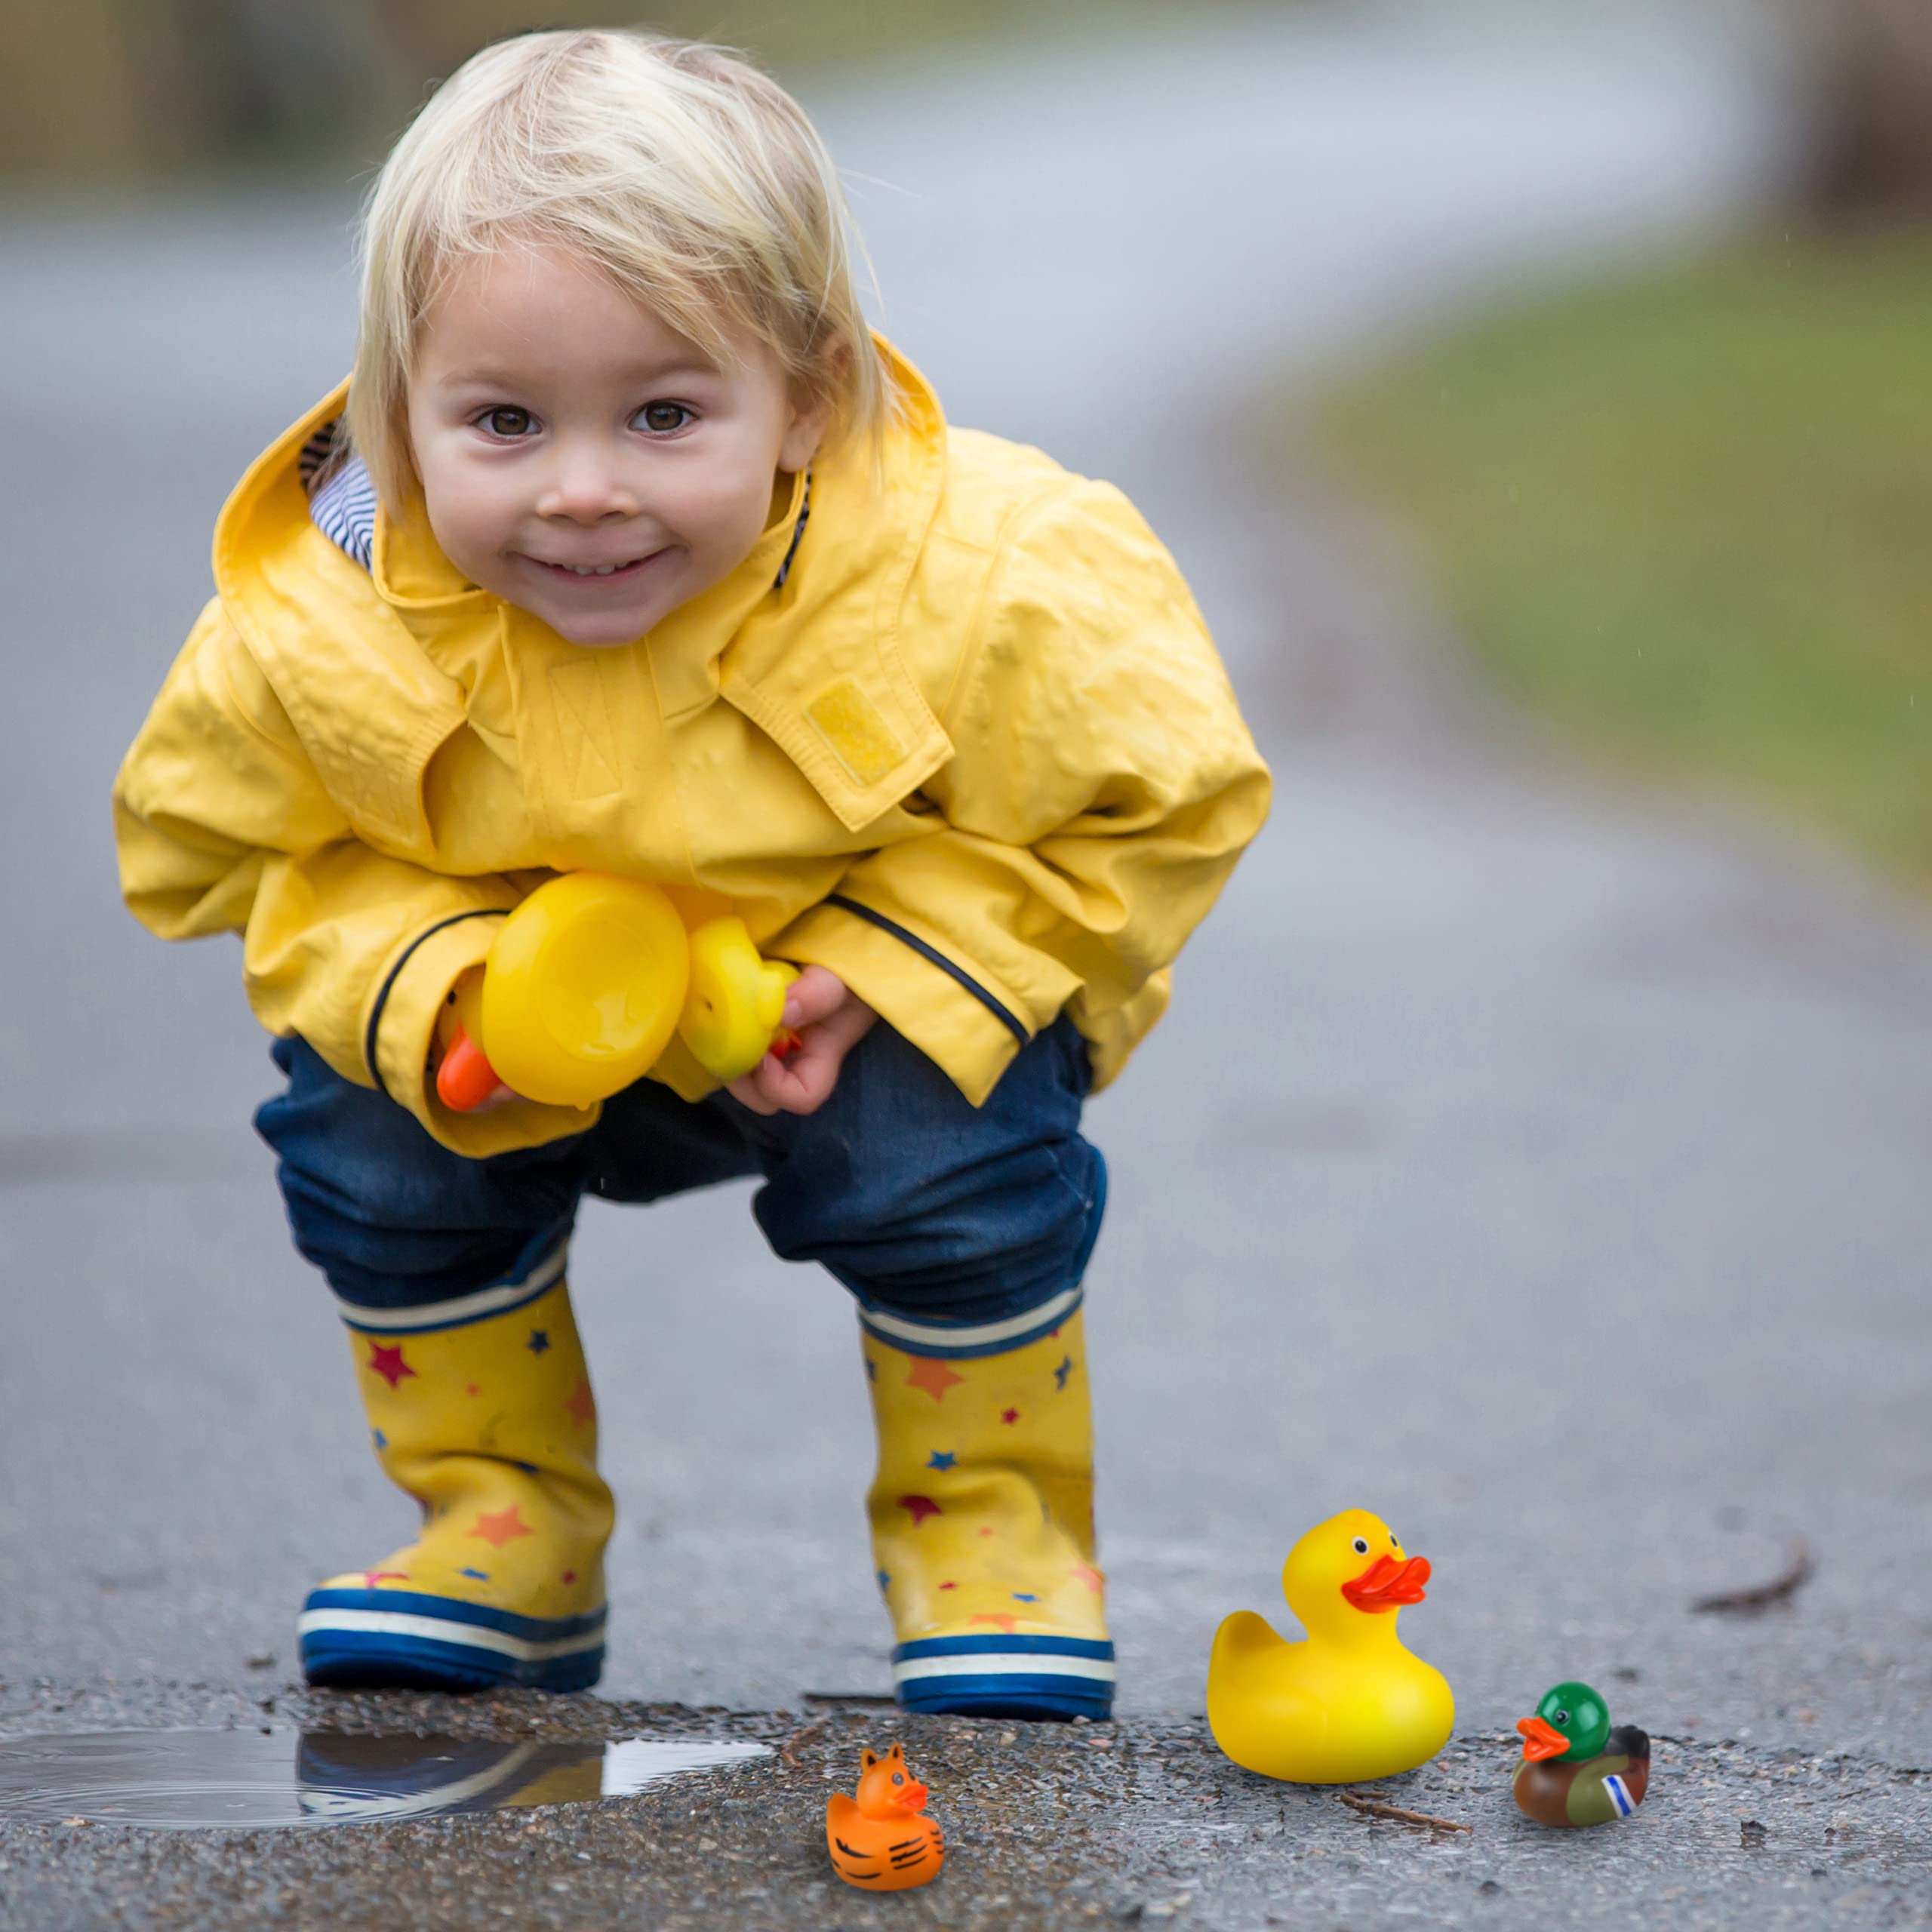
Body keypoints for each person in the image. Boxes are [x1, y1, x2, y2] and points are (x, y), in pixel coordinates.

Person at [112, 28, 1269, 1718]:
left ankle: (989, 1532)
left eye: (664, 413)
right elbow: (218, 853)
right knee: (363, 1135)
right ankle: (499, 1524)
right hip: (505, 1034)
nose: (585, 491)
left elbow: (1163, 794)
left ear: (804, 390)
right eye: (503, 421)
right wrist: (432, 981)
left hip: (836, 1017)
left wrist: (894, 963)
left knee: (941, 1151)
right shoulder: (327, 625)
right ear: (393, 411)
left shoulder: (979, 573)